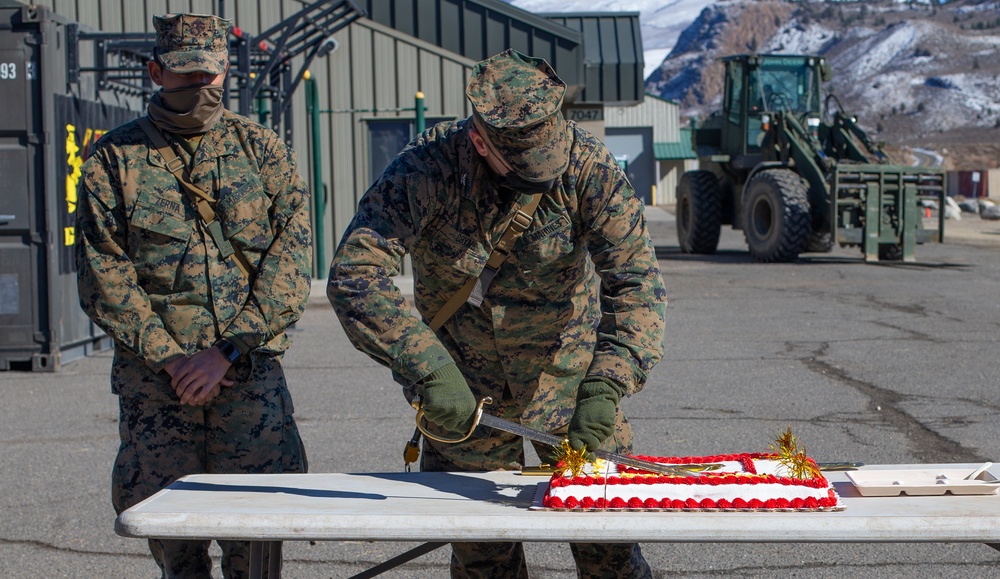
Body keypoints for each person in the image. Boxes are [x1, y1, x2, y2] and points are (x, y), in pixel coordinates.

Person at [328, 49, 667, 578]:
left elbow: (637, 284)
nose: (542, 179)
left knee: (610, 549)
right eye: (526, 173)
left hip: (572, 389)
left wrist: (609, 382)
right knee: (485, 560)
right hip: (466, 404)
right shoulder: (425, 171)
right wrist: (429, 369)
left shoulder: (589, 169)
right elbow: (355, 275)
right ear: (481, 142)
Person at [75, 13, 312, 578]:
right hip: (158, 389)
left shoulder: (263, 152)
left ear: (226, 72)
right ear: (156, 71)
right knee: (171, 542)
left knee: (257, 539)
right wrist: (174, 359)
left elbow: (291, 263)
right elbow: (103, 274)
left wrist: (224, 353)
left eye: (208, 77)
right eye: (183, 77)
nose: (198, 89)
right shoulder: (114, 160)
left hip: (246, 380)